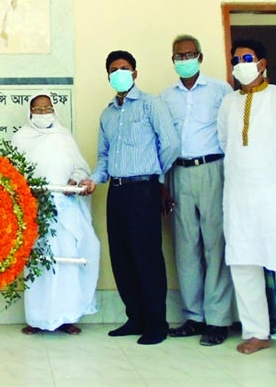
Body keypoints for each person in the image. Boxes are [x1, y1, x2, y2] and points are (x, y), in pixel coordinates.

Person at [217, 39, 276, 360]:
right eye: (236, 59)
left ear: (261, 63)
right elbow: (224, 142)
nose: (240, 63)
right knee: (244, 263)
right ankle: (256, 332)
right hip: (238, 197)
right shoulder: (228, 103)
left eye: (247, 57)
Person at [80, 50, 180, 345]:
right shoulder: (107, 114)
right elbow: (104, 157)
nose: (119, 73)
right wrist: (94, 180)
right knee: (121, 257)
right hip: (117, 191)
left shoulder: (151, 104)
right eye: (113, 69)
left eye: (125, 68)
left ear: (135, 73)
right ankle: (135, 317)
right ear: (108, 75)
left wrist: (155, 178)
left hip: (143, 191)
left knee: (146, 257)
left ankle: (156, 324)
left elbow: (171, 145)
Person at [160, 34, 234, 346]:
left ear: (200, 57)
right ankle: (194, 317)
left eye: (190, 54)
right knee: (185, 247)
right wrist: (163, 183)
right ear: (173, 60)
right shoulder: (166, 97)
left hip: (213, 170)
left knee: (215, 245)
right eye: (179, 55)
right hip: (179, 172)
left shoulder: (221, 90)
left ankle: (218, 319)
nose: (184, 59)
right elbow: (162, 141)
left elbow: (231, 135)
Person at [11, 93, 100, 336]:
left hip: (64, 210)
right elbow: (11, 174)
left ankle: (67, 317)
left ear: (54, 110)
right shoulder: (20, 139)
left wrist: (76, 179)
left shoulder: (64, 137)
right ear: (29, 112)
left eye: (47, 108)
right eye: (37, 109)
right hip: (36, 212)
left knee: (67, 260)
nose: (42, 113)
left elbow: (81, 167)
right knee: (38, 264)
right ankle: (37, 318)